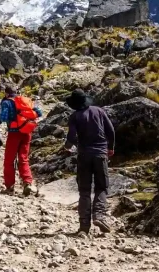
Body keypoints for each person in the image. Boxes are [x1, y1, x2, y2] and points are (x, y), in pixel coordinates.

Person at [64, 89, 115, 235]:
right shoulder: (99, 111)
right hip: (100, 154)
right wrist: (110, 148)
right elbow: (110, 131)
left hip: (84, 155)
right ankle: (99, 215)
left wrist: (67, 147)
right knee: (102, 186)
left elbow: (72, 137)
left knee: (84, 190)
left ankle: (84, 227)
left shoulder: (74, 116)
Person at [0, 86, 42, 196]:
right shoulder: (26, 101)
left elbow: (3, 118)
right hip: (27, 132)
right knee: (23, 158)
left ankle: (9, 187)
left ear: (6, 93)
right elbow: (39, 113)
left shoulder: (7, 102)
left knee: (9, 160)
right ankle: (27, 183)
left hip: (14, 133)